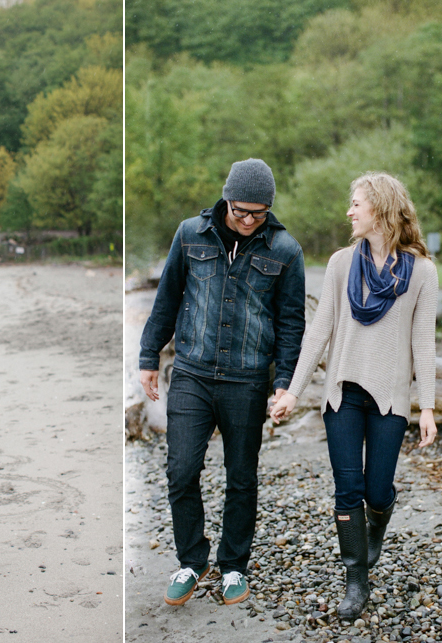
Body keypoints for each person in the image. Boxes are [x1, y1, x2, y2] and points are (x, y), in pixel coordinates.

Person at [270, 171, 438, 620]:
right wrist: (292, 390)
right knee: (348, 489)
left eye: (356, 204)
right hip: (342, 394)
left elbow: (424, 343)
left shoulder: (422, 271)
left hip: (390, 399)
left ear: (380, 209)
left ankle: (378, 520)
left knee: (377, 489)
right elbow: (319, 331)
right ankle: (356, 580)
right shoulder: (341, 263)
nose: (349, 211)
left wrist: (429, 408)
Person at [139, 158, 306, 607]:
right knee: (181, 470)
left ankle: (234, 567)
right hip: (192, 372)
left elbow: (292, 324)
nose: (249, 221)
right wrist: (148, 356)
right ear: (226, 200)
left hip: (249, 381)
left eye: (259, 213)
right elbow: (168, 297)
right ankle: (192, 561)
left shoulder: (285, 250)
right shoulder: (190, 234)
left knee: (241, 477)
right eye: (240, 211)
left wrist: (284, 383)